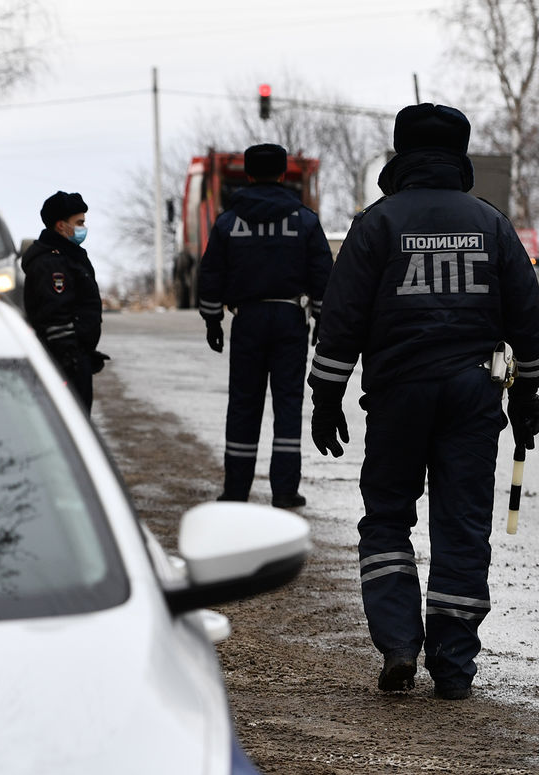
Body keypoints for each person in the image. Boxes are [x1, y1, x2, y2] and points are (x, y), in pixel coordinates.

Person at [309, 103, 539, 700]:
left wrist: (326, 394)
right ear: (458, 155)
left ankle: (398, 644)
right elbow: (529, 317)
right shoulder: (490, 223)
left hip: (398, 394)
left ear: (399, 153)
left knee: (387, 515)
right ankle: (455, 666)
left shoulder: (376, 224)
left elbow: (342, 320)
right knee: (462, 525)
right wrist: (531, 393)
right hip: (472, 393)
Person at [197, 144, 333, 508]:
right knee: (288, 405)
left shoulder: (228, 221)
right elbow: (322, 272)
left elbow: (211, 273)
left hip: (248, 321)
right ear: (284, 175)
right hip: (290, 319)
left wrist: (213, 319)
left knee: (243, 404)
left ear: (250, 175)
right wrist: (322, 316)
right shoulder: (303, 219)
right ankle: (285, 490)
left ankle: (236, 489)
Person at [22, 191, 107, 411]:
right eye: (78, 223)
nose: (83, 228)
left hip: (77, 357)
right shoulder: (51, 263)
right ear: (61, 226)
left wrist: (87, 352)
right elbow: (55, 314)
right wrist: (71, 358)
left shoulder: (69, 256)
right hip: (65, 363)